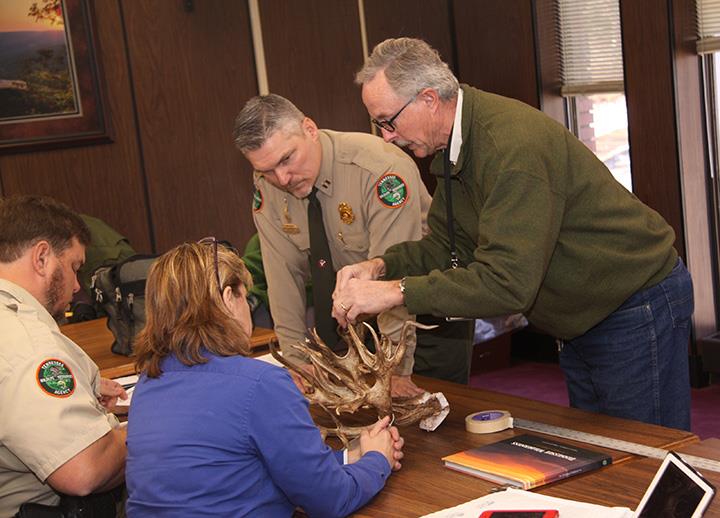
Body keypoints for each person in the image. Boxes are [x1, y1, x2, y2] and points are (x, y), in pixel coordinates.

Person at [333, 37, 694, 431]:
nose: (386, 136)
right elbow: (445, 245)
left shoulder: (510, 148)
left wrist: (396, 292)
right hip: (580, 315)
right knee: (604, 447)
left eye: (389, 120)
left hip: (631, 303)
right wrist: (379, 266)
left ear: (429, 99)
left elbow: (507, 283)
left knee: (646, 453)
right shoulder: (451, 146)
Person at [125, 240, 404, 517]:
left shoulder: (148, 385)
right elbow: (332, 500)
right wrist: (377, 460)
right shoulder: (261, 384)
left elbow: (237, 467)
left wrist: (352, 455)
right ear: (227, 299)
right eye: (245, 297)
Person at [233, 93, 475, 393]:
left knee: (437, 422)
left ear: (309, 129)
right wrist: (298, 361)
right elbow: (282, 279)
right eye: (266, 170)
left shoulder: (379, 170)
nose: (281, 178)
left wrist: (396, 369)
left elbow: (394, 273)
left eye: (286, 159)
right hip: (365, 323)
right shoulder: (268, 189)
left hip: (429, 311)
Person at [0, 195, 127, 517]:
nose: (75, 286)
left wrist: (83, 389)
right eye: (74, 268)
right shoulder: (28, 345)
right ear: (42, 258)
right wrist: (150, 424)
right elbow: (84, 470)